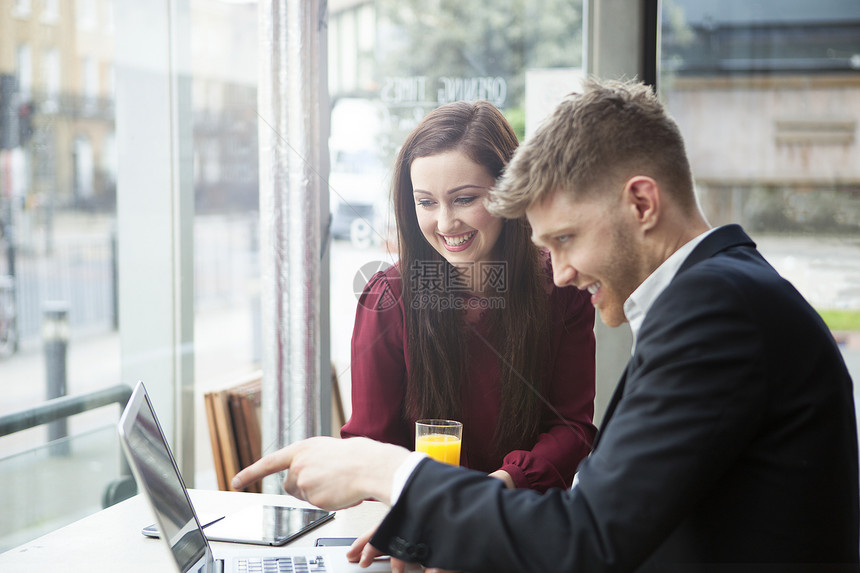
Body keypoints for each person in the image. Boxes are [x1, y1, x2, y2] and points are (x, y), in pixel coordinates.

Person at [234, 79, 860, 572]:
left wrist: (388, 472)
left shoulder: (714, 312)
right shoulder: (721, 293)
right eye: (427, 201)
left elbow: (587, 538)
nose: (558, 273)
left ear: (641, 204)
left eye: (565, 239)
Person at [340, 100, 597, 492]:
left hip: (523, 519)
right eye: (426, 202)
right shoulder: (388, 298)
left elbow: (571, 426)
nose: (445, 223)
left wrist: (501, 486)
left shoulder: (560, 287)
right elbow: (370, 444)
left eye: (464, 199)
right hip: (419, 520)